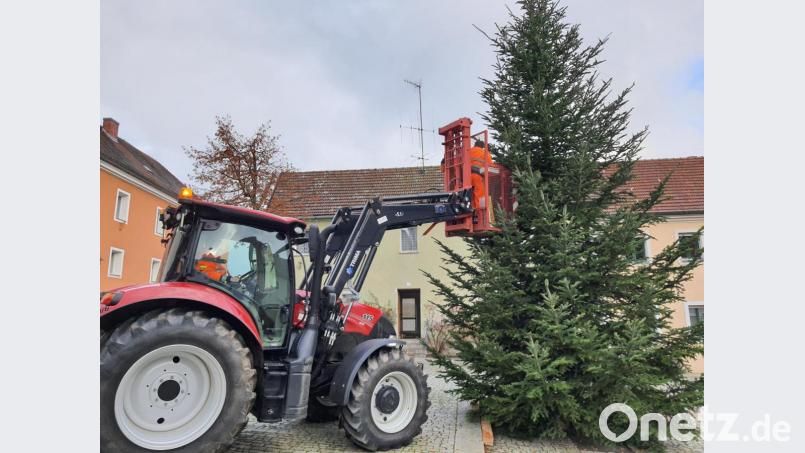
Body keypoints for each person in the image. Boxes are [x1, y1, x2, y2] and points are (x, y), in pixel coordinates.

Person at [468, 139, 492, 210]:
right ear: (482, 146)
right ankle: (479, 212)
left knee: (470, 194)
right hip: (478, 175)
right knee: (480, 193)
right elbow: (490, 165)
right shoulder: (484, 152)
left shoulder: (468, 151)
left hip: (467, 176)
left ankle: (471, 209)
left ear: (475, 145)